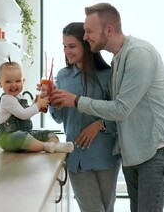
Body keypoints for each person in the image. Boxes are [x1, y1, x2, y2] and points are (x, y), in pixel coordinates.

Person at [50, 3, 164, 212]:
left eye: (89, 31)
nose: (85, 37)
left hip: (155, 149)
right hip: (133, 152)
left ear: (108, 30)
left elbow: (120, 109)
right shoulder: (119, 60)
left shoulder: (139, 54)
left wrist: (76, 101)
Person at [49, 22, 120, 212]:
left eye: (72, 46)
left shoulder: (108, 75)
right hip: (77, 157)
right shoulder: (62, 76)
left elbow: (120, 113)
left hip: (106, 155)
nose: (67, 51)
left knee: (107, 209)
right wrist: (51, 101)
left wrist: (99, 125)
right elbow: (59, 117)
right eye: (64, 46)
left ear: (87, 45)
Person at [0, 59, 74, 153]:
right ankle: (45, 146)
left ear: (23, 81)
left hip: (25, 132)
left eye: (17, 81)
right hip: (8, 137)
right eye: (8, 82)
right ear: (0, 83)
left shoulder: (19, 97)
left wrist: (37, 103)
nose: (13, 85)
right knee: (20, 137)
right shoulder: (7, 99)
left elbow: (26, 111)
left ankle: (55, 146)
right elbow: (24, 115)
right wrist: (38, 105)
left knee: (47, 133)